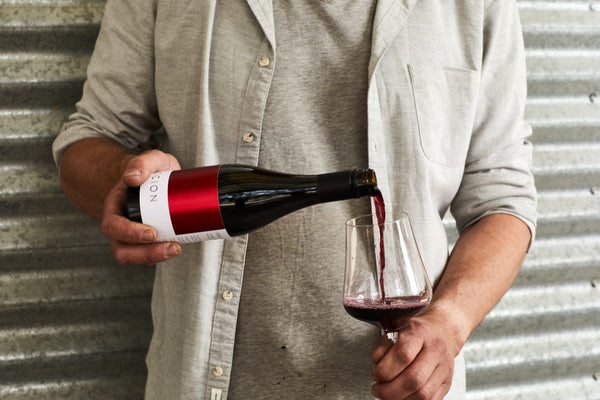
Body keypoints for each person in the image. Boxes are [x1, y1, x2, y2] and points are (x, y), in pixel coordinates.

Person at [52, 0, 537, 399]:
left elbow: (502, 201)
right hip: (204, 384)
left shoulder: (474, 7)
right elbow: (88, 138)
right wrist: (121, 177)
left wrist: (447, 325)